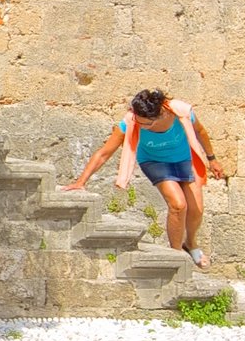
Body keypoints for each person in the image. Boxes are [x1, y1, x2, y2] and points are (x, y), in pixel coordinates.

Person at [59, 87, 229, 268]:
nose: (139, 125)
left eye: (145, 124)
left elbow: (200, 132)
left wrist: (212, 159)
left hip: (184, 159)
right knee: (178, 205)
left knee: (196, 210)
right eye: (137, 121)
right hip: (154, 162)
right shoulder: (130, 122)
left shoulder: (181, 112)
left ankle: (191, 243)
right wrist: (81, 181)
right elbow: (104, 153)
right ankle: (176, 255)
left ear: (159, 115)